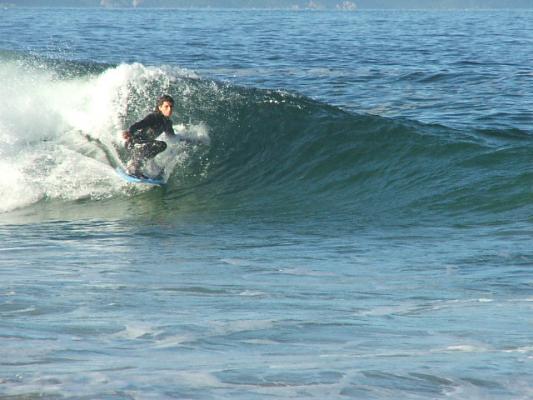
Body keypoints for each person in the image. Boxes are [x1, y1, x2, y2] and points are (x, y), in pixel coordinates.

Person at [122, 94, 177, 177]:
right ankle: (134, 167)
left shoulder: (168, 123)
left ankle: (138, 166)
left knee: (160, 147)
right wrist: (129, 132)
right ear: (160, 107)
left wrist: (186, 139)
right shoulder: (153, 117)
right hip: (133, 143)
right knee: (161, 145)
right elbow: (139, 124)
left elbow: (172, 137)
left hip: (144, 146)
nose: (169, 109)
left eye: (171, 107)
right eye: (166, 106)